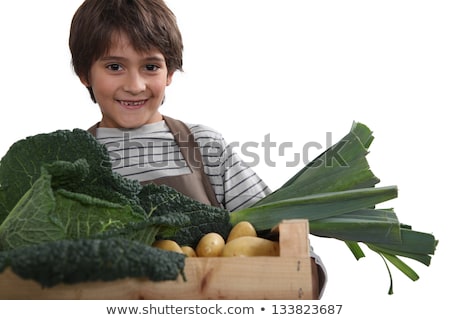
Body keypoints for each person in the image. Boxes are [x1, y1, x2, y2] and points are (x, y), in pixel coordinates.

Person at [69, 0, 326, 297]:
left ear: (169, 73)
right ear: (84, 73)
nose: (135, 85)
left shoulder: (205, 147)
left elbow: (287, 242)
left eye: (150, 66)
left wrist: (305, 274)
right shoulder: (68, 164)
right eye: (115, 66)